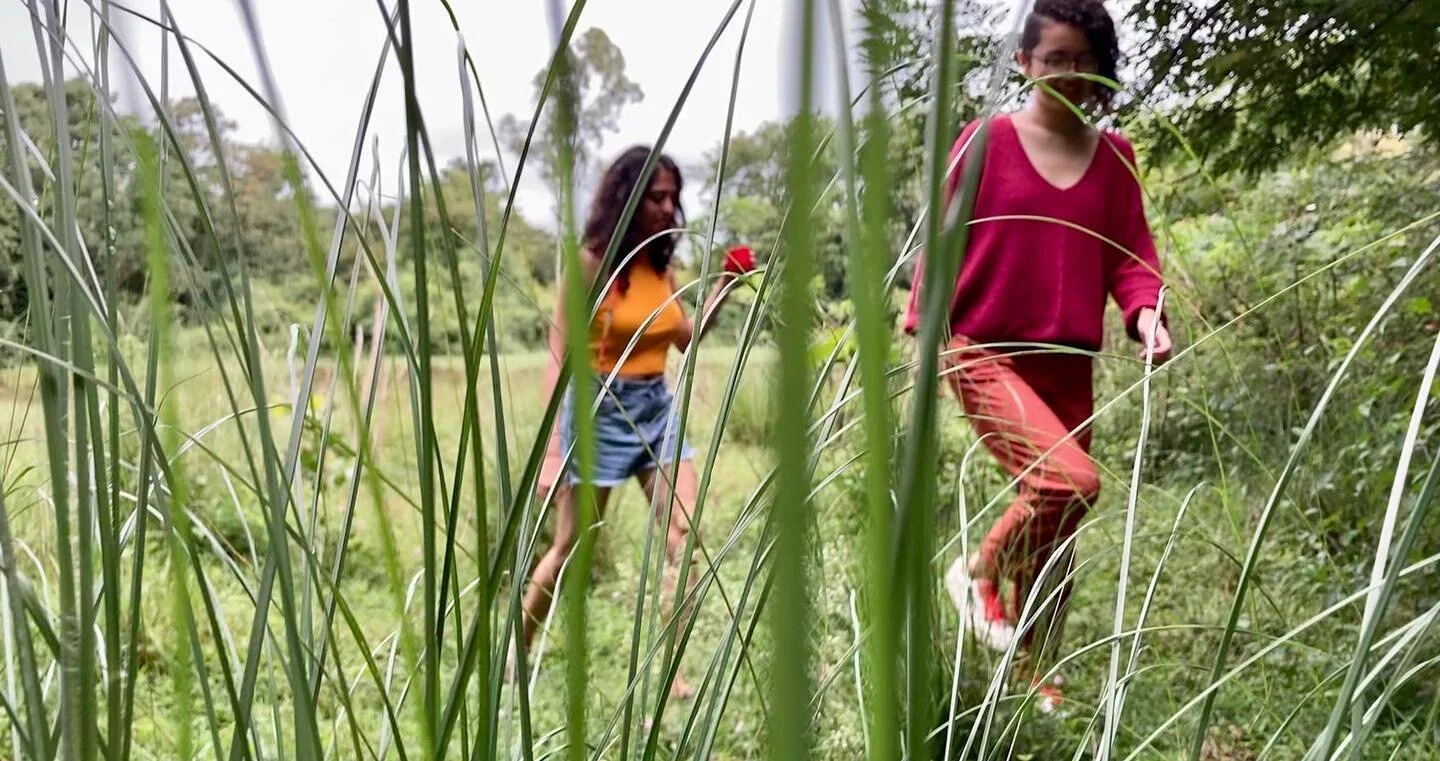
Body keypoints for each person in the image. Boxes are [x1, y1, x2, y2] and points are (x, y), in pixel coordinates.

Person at [903, 0, 1171, 711]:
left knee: (1058, 536)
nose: (1069, 72)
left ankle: (1033, 675)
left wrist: (1146, 314)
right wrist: (925, 333)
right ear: (1024, 63)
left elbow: (1132, 255)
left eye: (1083, 60)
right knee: (1068, 484)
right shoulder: (985, 141)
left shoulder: (1115, 158)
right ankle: (978, 573)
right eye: (1054, 58)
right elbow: (942, 241)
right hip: (984, 351)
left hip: (1067, 364)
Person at [516, 145, 749, 699]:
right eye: (656, 197)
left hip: (655, 409)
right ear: (628, 198)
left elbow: (685, 337)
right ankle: (516, 650)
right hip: (598, 410)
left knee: (683, 540)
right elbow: (559, 354)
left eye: (673, 197)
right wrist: (552, 450)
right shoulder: (590, 263)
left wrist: (724, 286)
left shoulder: (661, 267)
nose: (669, 207)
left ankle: (671, 676)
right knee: (570, 549)